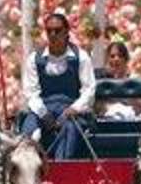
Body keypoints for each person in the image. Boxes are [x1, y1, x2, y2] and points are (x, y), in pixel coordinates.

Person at [20, 11, 96, 160]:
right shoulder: (34, 59)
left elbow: (89, 89)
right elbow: (31, 92)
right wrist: (43, 114)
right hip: (42, 109)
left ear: (67, 31)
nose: (53, 34)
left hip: (70, 109)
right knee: (28, 132)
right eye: (49, 31)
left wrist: (75, 108)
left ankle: (60, 168)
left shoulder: (81, 57)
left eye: (57, 30)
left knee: (70, 129)